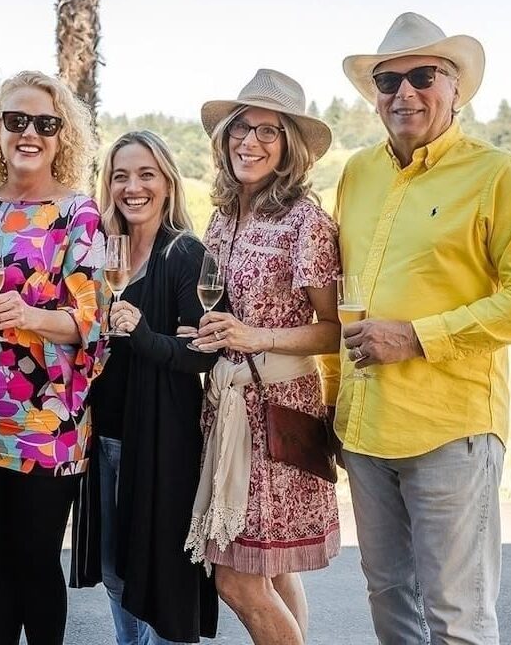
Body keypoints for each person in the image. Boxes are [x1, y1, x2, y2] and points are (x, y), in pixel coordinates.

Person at [331, 12, 511, 644]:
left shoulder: (498, 176)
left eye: (421, 76)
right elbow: (341, 296)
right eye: (388, 81)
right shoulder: (358, 173)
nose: (403, 93)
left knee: (456, 617)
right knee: (388, 601)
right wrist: (332, 405)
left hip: (450, 431)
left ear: (455, 87)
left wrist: (416, 336)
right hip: (365, 429)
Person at [0, 70, 108, 645]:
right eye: (16, 120)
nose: (29, 133)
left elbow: (90, 320)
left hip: (47, 419)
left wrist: (29, 317)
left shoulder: (77, 214)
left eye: (45, 123)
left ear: (62, 137)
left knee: (37, 561)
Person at [185, 68, 342, 645]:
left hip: (277, 409)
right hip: (227, 403)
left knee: (238, 579)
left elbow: (332, 330)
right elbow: (232, 312)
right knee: (269, 569)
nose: (250, 142)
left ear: (289, 149)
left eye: (268, 132)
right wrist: (215, 335)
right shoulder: (224, 216)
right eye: (240, 129)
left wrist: (259, 338)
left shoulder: (307, 221)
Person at [70, 130, 220, 644]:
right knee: (115, 571)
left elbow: (204, 350)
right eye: (120, 176)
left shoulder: (185, 254)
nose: (132, 187)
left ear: (167, 182)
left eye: (145, 174)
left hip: (163, 439)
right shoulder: (100, 254)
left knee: (162, 570)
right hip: (105, 435)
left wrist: (144, 335)